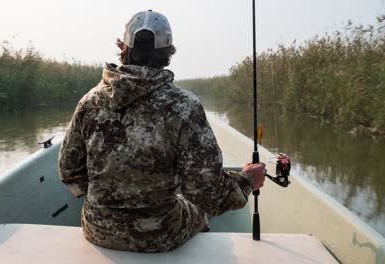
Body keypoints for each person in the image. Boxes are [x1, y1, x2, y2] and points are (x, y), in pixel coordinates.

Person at [58, 10, 266, 252]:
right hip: (160, 236)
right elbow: (206, 193)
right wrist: (247, 181)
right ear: (168, 52)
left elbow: (68, 171)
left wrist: (105, 204)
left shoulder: (89, 101)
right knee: (196, 209)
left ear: (124, 47)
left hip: (97, 229)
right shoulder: (184, 105)